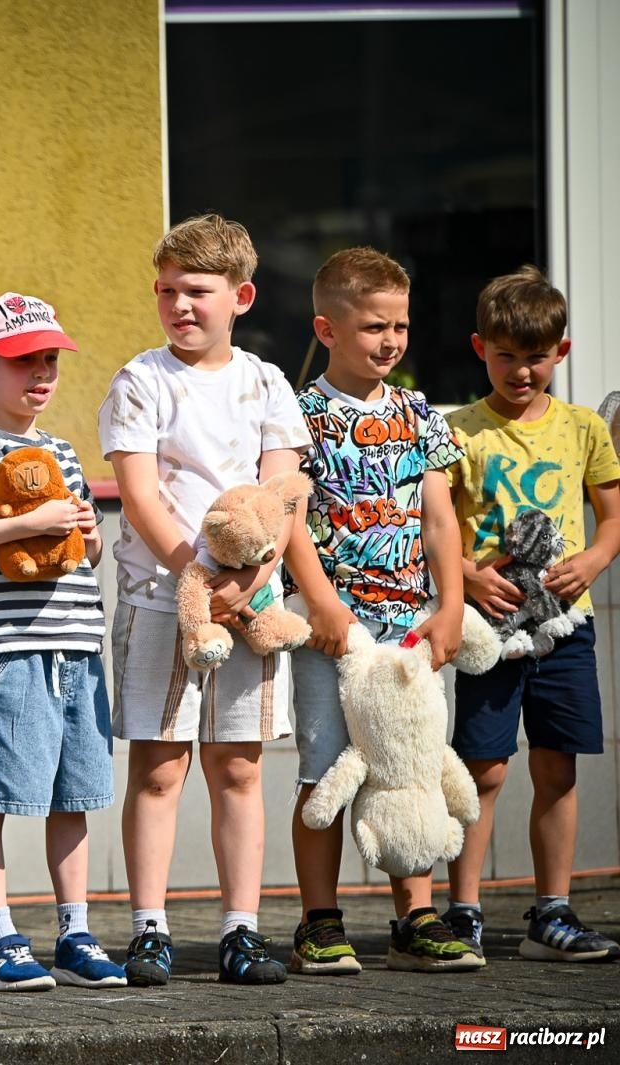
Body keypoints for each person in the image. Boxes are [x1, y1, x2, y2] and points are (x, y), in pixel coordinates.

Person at [97, 214, 310, 986]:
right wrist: (198, 578)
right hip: (162, 603)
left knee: (239, 769)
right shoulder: (141, 380)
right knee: (159, 769)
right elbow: (140, 495)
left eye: (197, 290)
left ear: (240, 297)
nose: (179, 304)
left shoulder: (266, 383)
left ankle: (240, 930)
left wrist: (247, 583)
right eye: (166, 290)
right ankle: (149, 928)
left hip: (252, 610)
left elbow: (284, 495)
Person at [281, 248, 482, 974]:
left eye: (399, 325)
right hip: (332, 631)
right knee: (325, 769)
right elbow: (289, 516)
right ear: (327, 329)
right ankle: (319, 921)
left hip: (409, 629)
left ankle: (415, 917)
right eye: (374, 326)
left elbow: (439, 518)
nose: (391, 340)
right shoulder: (298, 415)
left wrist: (451, 604)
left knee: (411, 765)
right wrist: (322, 604)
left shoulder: (418, 413)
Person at [0, 293, 125, 993]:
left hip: (78, 648)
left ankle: (75, 931)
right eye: (23, 361)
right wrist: (29, 522)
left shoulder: (64, 451)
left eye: (49, 359)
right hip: (10, 649)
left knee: (74, 795)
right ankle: (0, 932)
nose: (41, 373)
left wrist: (87, 532)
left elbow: (84, 552)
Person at [444, 266, 620, 964]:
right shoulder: (457, 431)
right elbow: (433, 527)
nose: (521, 370)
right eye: (506, 355)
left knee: (557, 767)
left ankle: (551, 913)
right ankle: (463, 913)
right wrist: (466, 576)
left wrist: (595, 560)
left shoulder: (583, 428)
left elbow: (612, 519)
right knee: (481, 769)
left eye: (537, 356)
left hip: (566, 627)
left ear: (562, 351)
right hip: (488, 631)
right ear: (479, 348)